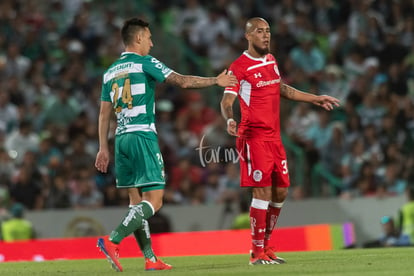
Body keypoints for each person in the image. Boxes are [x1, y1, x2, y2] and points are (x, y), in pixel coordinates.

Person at [95, 18, 237, 272]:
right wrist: (215, 81)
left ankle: (150, 258)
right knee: (155, 201)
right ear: (137, 38)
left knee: (135, 203)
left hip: (121, 139)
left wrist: (103, 148)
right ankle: (113, 239)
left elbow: (104, 114)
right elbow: (182, 81)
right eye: (149, 37)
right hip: (142, 136)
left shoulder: (110, 71)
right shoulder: (145, 62)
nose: (152, 42)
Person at [220, 17, 340, 265]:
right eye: (260, 31)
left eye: (268, 31)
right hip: (253, 136)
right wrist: (230, 120)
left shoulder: (271, 60)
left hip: (275, 137)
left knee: (281, 191)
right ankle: (256, 252)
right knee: (262, 191)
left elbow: (282, 89)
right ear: (248, 35)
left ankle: (266, 246)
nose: (266, 36)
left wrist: (314, 98)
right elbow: (226, 101)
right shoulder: (238, 67)